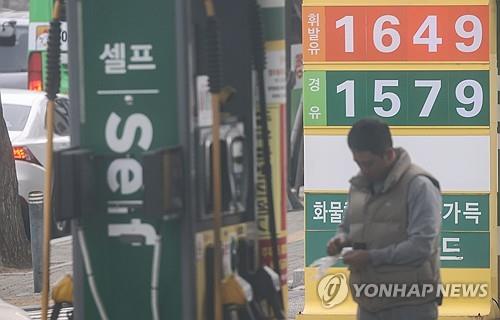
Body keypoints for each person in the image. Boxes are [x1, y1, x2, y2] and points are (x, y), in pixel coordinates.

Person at [327, 118, 442, 320]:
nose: (363, 169)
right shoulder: (359, 185)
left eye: (369, 163)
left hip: (411, 305)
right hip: (368, 302)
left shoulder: (419, 186)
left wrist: (371, 257)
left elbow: (422, 246)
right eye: (358, 163)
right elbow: (347, 227)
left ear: (389, 155)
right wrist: (340, 240)